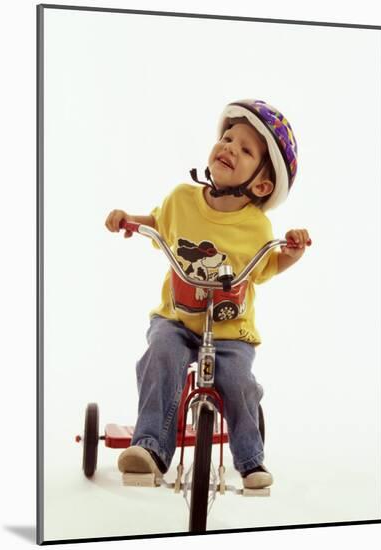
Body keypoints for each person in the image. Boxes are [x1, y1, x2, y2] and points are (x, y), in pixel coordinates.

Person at [105, 99, 310, 489]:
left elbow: (268, 265)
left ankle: (251, 460)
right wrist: (130, 221)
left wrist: (293, 252)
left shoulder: (257, 227)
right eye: (227, 138)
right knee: (160, 354)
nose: (229, 146)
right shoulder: (182, 199)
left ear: (262, 185)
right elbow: (157, 224)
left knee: (237, 379)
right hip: (177, 319)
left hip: (231, 332)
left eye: (245, 149)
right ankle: (149, 448)